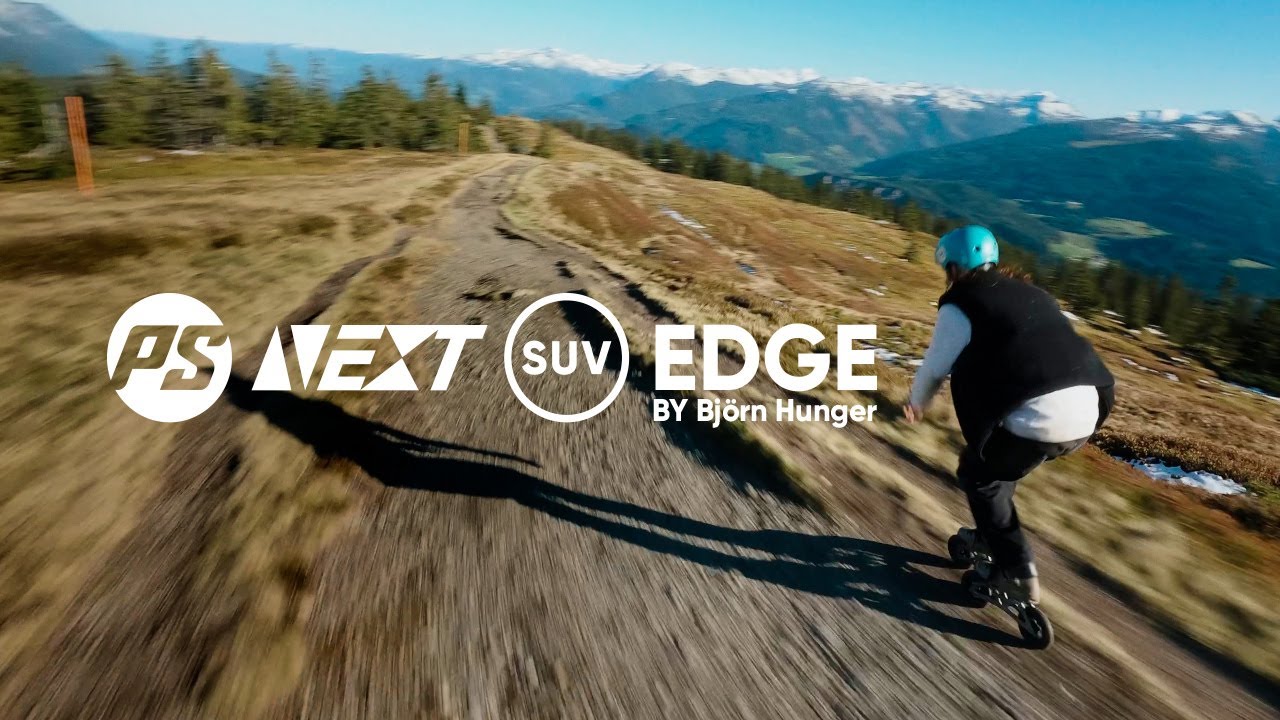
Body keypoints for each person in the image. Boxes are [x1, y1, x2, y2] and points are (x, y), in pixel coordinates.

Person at [902, 225, 1114, 603]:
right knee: (1002, 467)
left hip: (1042, 417)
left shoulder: (961, 303)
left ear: (954, 268)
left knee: (978, 475)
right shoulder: (1033, 293)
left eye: (947, 269)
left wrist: (917, 402)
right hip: (1089, 408)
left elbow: (935, 367)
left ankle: (1016, 572)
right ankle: (990, 536)